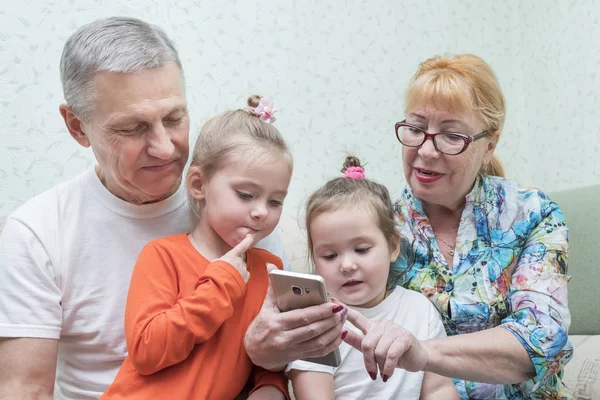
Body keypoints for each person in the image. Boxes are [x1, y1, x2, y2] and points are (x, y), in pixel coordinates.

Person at [0, 17, 343, 400]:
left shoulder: (239, 214)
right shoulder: (36, 232)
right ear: (77, 126)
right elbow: (24, 389)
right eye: (132, 128)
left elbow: (272, 355)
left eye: (174, 118)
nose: (165, 148)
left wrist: (271, 375)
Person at [342, 54, 572, 399]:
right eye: (416, 128)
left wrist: (424, 352)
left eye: (451, 136)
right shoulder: (378, 225)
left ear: (488, 145)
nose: (426, 150)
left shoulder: (531, 213)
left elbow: (541, 340)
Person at [101, 96, 292, 399]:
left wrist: (271, 386)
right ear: (199, 185)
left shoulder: (271, 270)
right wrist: (222, 283)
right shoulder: (163, 255)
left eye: (275, 201)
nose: (261, 212)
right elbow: (146, 351)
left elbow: (269, 355)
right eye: (245, 194)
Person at [287, 156, 458, 400]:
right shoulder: (314, 324)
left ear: (392, 247)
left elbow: (439, 389)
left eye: (362, 250)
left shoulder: (420, 310)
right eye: (330, 255)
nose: (346, 265)